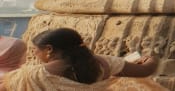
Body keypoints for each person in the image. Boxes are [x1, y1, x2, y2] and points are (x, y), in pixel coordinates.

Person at [0, 28, 158, 91]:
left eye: (35, 50)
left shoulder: (31, 75)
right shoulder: (102, 63)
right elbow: (145, 70)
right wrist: (152, 59)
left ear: (49, 49)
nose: (34, 55)